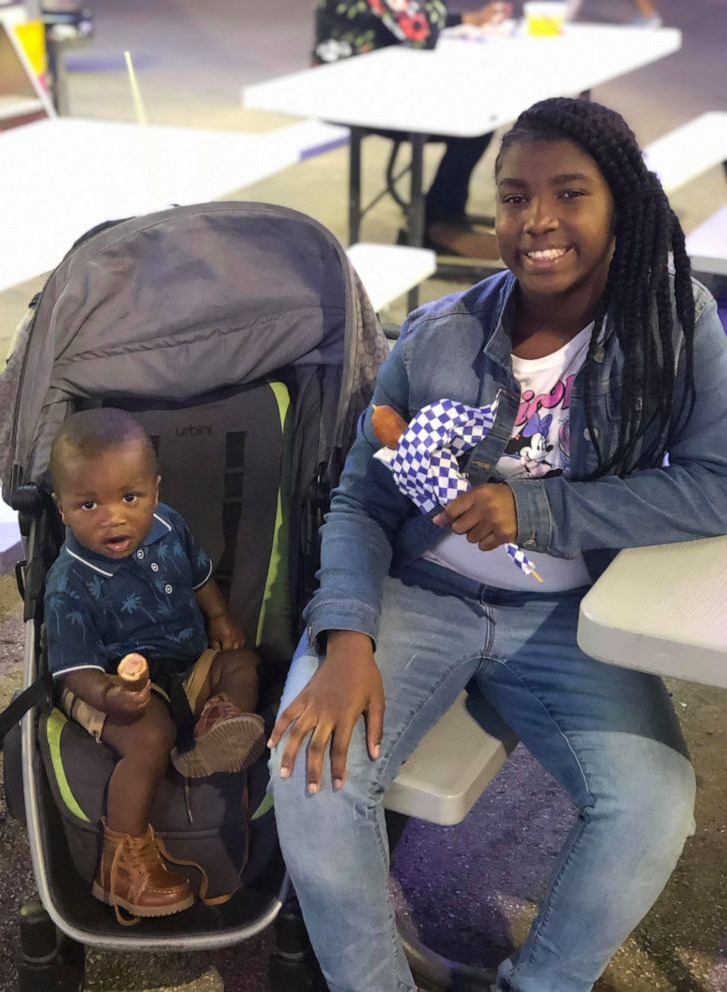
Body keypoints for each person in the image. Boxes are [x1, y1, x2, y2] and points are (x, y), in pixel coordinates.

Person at [268, 96, 727, 991]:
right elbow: (362, 495)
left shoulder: (678, 327)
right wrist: (347, 638)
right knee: (309, 773)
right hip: (418, 595)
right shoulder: (442, 333)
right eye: (514, 198)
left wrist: (541, 513)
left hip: (565, 615)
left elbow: (716, 483)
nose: (538, 222)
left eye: (570, 194)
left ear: (622, 205)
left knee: (652, 804)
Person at [44, 408, 265, 922]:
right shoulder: (69, 581)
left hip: (185, 664)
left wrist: (220, 616)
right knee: (149, 737)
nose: (112, 517)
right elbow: (71, 668)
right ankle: (120, 864)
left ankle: (218, 724)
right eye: (88, 504)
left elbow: (199, 578)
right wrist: (107, 695)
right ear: (62, 509)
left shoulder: (169, 526)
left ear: (156, 492)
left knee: (243, 664)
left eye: (130, 498)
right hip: (106, 680)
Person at [313, 0, 512, 259]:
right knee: (471, 124)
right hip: (351, 99)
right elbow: (421, 32)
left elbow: (416, 19)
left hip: (379, 90)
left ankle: (439, 220)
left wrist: (466, 19)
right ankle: (435, 226)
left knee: (477, 121)